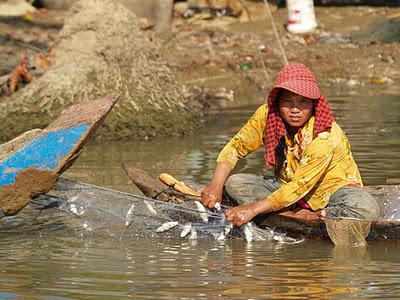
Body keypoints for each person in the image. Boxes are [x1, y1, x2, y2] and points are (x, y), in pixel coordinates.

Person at [201, 63, 379, 227]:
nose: (295, 110)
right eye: (288, 102)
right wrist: (215, 185)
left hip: (332, 193)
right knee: (235, 183)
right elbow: (236, 147)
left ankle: (316, 214)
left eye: (303, 102)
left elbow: (301, 185)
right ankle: (292, 215)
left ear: (313, 104)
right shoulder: (267, 115)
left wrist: (252, 209)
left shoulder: (324, 135)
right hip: (288, 190)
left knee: (366, 208)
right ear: (278, 102)